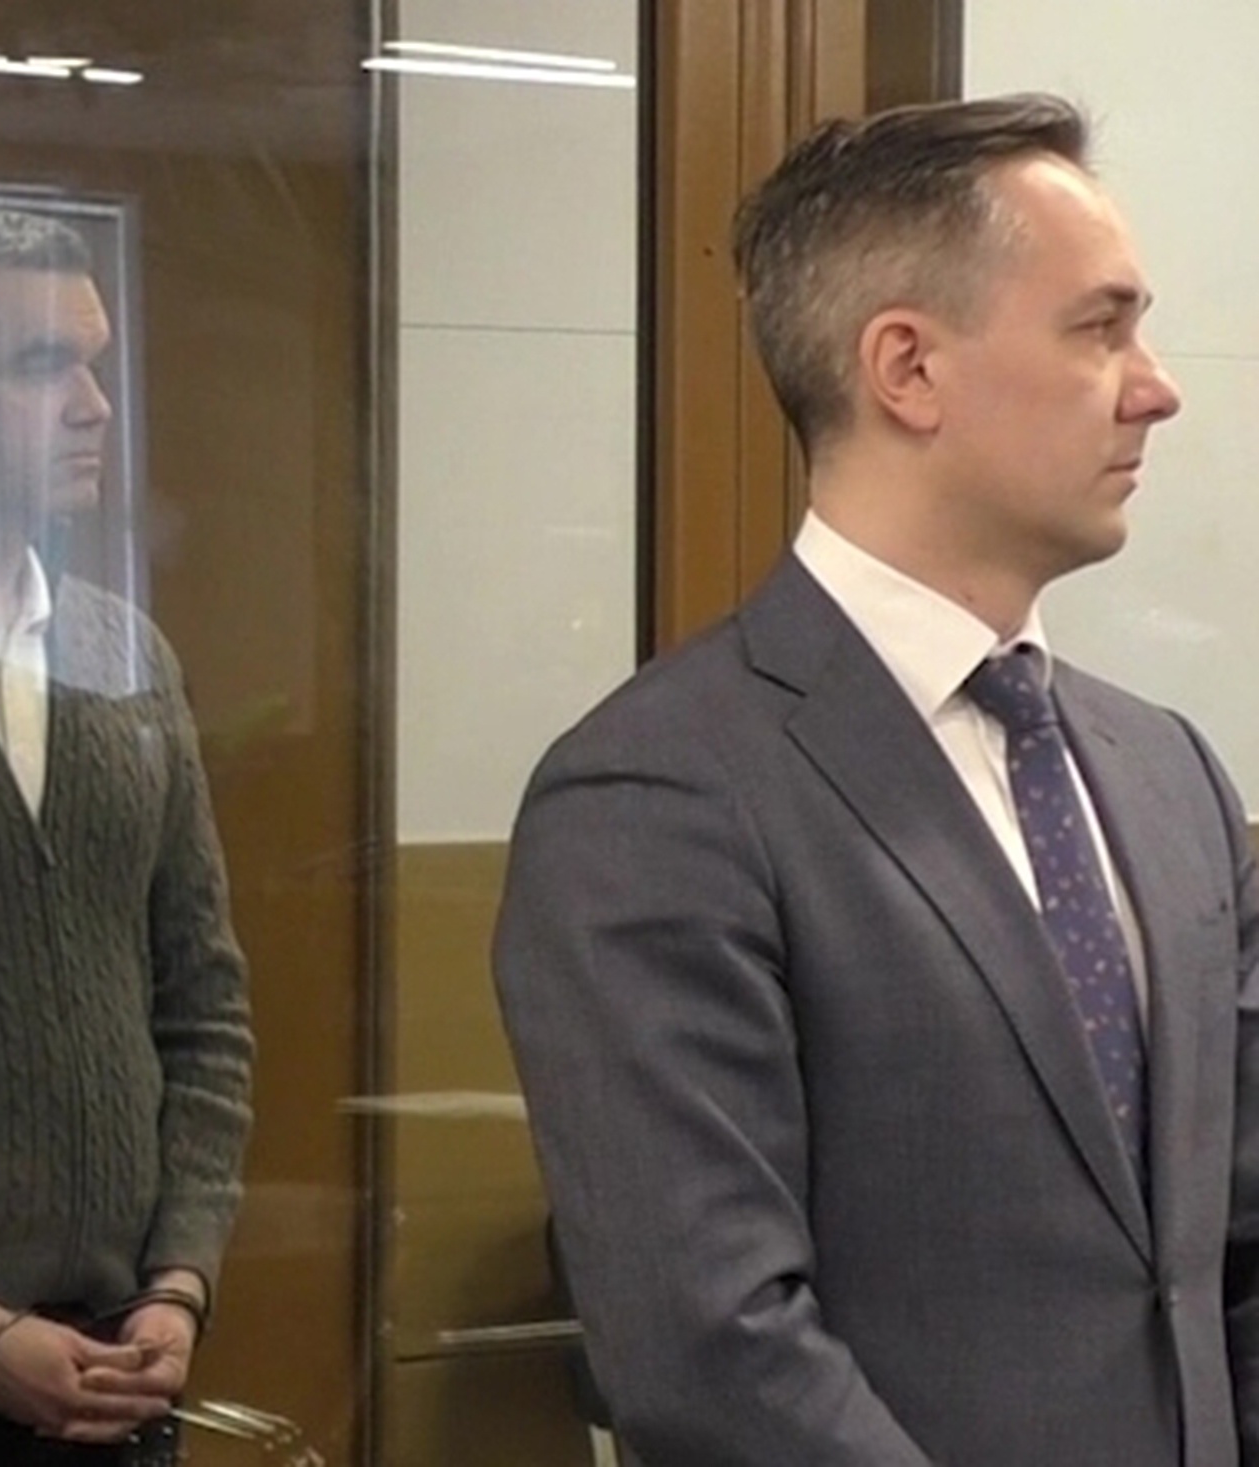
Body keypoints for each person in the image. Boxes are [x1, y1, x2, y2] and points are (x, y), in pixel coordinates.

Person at [493, 92, 1259, 1465]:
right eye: (1099, 328)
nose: (1157, 386)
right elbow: (710, 1347)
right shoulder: (657, 800)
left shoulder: (1172, 779)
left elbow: (1235, 1244)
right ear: (907, 368)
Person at [0, 202, 255, 1464]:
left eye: (94, 363)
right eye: (41, 365)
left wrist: (179, 1282)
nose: (94, 406)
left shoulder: (120, 654)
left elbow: (203, 1004)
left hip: (120, 1361)